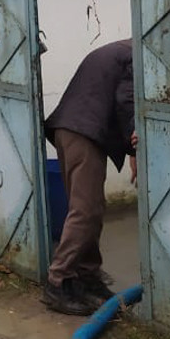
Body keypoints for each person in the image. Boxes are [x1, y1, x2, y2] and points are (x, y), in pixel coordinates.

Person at [42, 39, 138, 315]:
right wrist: (136, 148)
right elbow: (128, 101)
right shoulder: (134, 56)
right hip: (81, 133)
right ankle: (57, 282)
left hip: (72, 130)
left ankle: (86, 275)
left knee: (91, 207)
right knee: (85, 210)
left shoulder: (119, 50)